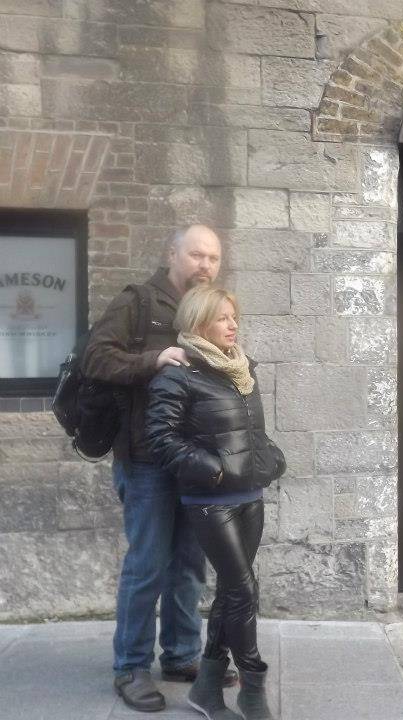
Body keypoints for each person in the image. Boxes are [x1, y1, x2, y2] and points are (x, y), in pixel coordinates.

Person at [83, 224, 232, 712]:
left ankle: (181, 655)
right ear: (172, 254)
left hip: (193, 458)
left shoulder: (207, 306)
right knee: (146, 565)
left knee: (188, 564)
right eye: (196, 255)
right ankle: (130, 667)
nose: (205, 265)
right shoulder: (138, 301)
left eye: (213, 258)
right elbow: (95, 358)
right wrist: (153, 359)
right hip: (146, 460)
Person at [146, 285, 285, 720]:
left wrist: (271, 458)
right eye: (222, 317)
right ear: (199, 321)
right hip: (211, 500)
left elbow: (252, 431)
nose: (232, 324)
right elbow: (160, 438)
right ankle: (252, 685)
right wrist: (212, 469)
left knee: (231, 591)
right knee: (243, 590)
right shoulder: (179, 374)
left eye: (234, 316)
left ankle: (206, 688)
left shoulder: (242, 368)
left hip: (250, 495)